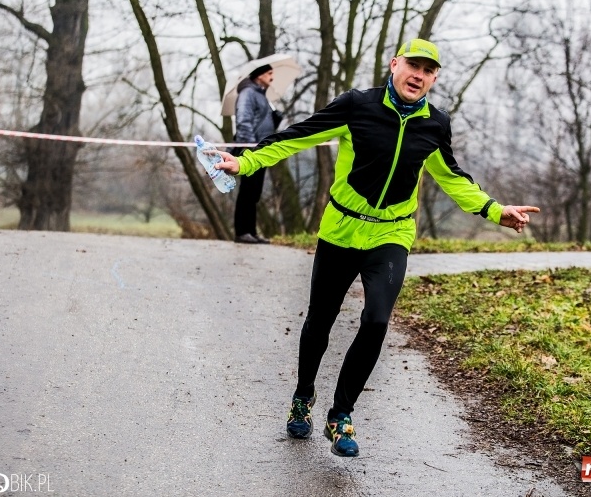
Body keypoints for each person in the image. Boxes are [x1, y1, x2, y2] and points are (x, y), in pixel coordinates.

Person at [213, 38, 540, 457]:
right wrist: (246, 162)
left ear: (435, 78)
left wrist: (495, 210)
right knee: (320, 321)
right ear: (394, 64)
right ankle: (303, 396)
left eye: (428, 70)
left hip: (391, 234)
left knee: (376, 320)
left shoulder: (435, 124)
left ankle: (340, 415)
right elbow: (298, 136)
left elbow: (452, 176)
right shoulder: (358, 105)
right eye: (413, 66)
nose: (418, 75)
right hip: (342, 229)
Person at [232, 63, 280, 244]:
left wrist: (275, 119)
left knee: (254, 192)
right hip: (252, 150)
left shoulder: (262, 95)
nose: (272, 77)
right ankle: (242, 231)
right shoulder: (248, 93)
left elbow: (262, 123)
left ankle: (251, 231)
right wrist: (250, 148)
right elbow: (243, 120)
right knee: (247, 190)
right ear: (259, 75)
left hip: (263, 151)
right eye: (269, 73)